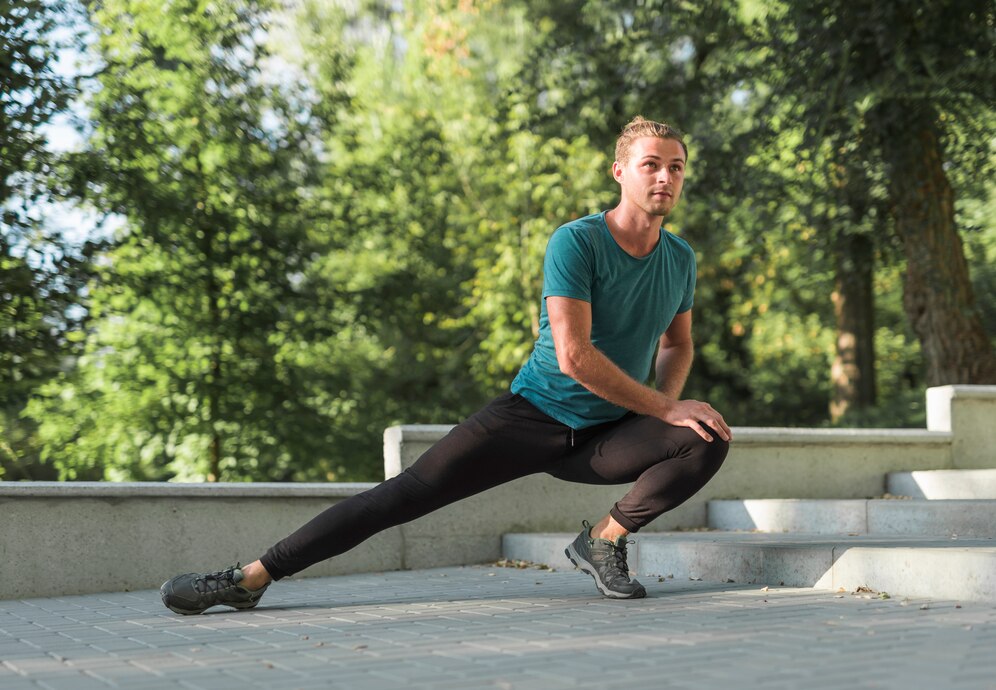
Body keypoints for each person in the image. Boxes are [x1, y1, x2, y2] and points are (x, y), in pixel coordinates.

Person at [160, 116, 732, 614]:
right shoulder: (576, 242)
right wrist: (664, 406)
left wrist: (670, 411)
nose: (665, 177)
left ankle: (603, 541)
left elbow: (676, 344)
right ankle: (249, 579)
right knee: (401, 496)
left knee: (706, 434)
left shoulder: (679, 258)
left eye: (676, 167)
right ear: (619, 172)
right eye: (651, 164)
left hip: (609, 432)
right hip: (533, 416)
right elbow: (574, 356)